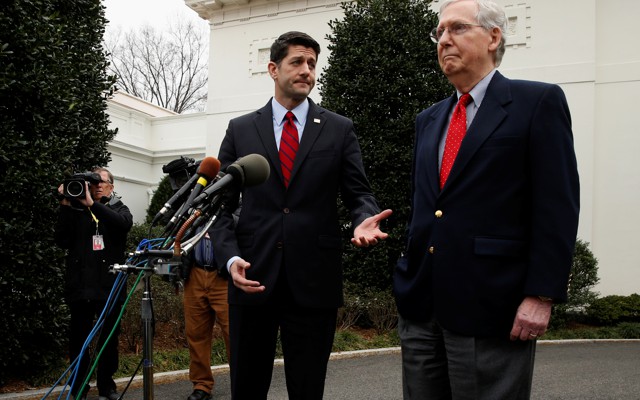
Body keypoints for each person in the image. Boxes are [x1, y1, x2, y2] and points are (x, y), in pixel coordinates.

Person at [392, 1, 580, 399]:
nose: (444, 39)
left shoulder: (537, 103)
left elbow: (557, 206)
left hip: (495, 306)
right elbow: (432, 206)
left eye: (457, 28)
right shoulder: (428, 119)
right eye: (439, 31)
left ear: (494, 36)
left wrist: (541, 295)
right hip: (422, 307)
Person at [211, 31, 393, 399]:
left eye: (312, 63)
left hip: (314, 281)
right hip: (252, 276)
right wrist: (229, 258)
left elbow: (359, 193)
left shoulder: (339, 129)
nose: (307, 70)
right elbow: (220, 207)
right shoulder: (241, 129)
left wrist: (363, 218)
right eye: (297, 62)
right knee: (246, 388)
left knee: (308, 388)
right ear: (273, 69)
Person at [55, 168, 133, 400]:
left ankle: (106, 386)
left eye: (103, 182)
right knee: (78, 340)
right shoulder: (75, 209)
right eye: (93, 182)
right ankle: (79, 386)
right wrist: (65, 203)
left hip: (109, 286)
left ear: (112, 186)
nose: (98, 186)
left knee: (109, 339)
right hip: (81, 287)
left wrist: (92, 204)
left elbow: (123, 225)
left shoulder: (118, 207)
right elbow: (62, 240)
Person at [182, 224, 231, 400]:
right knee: (196, 334)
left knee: (233, 333)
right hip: (195, 273)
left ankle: (242, 383)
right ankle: (201, 385)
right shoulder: (192, 205)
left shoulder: (233, 205)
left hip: (224, 278)